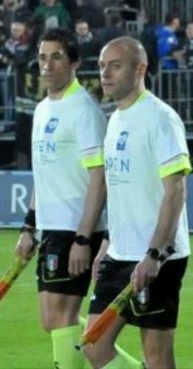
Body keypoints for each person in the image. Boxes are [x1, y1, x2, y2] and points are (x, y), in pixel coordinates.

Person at [83, 37, 192, 369]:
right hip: (119, 254)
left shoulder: (160, 117)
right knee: (94, 345)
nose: (105, 74)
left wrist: (155, 254)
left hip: (157, 257)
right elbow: (121, 191)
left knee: (157, 357)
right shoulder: (114, 119)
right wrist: (107, 241)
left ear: (140, 68)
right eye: (102, 66)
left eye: (115, 66)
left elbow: (175, 190)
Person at [13, 28, 110, 369]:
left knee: (61, 318)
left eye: (56, 57)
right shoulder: (41, 110)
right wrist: (29, 226)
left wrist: (83, 238)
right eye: (42, 57)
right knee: (52, 320)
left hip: (75, 228)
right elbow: (43, 175)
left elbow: (100, 178)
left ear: (74, 63)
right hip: (51, 228)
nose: (47, 64)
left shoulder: (83, 110)